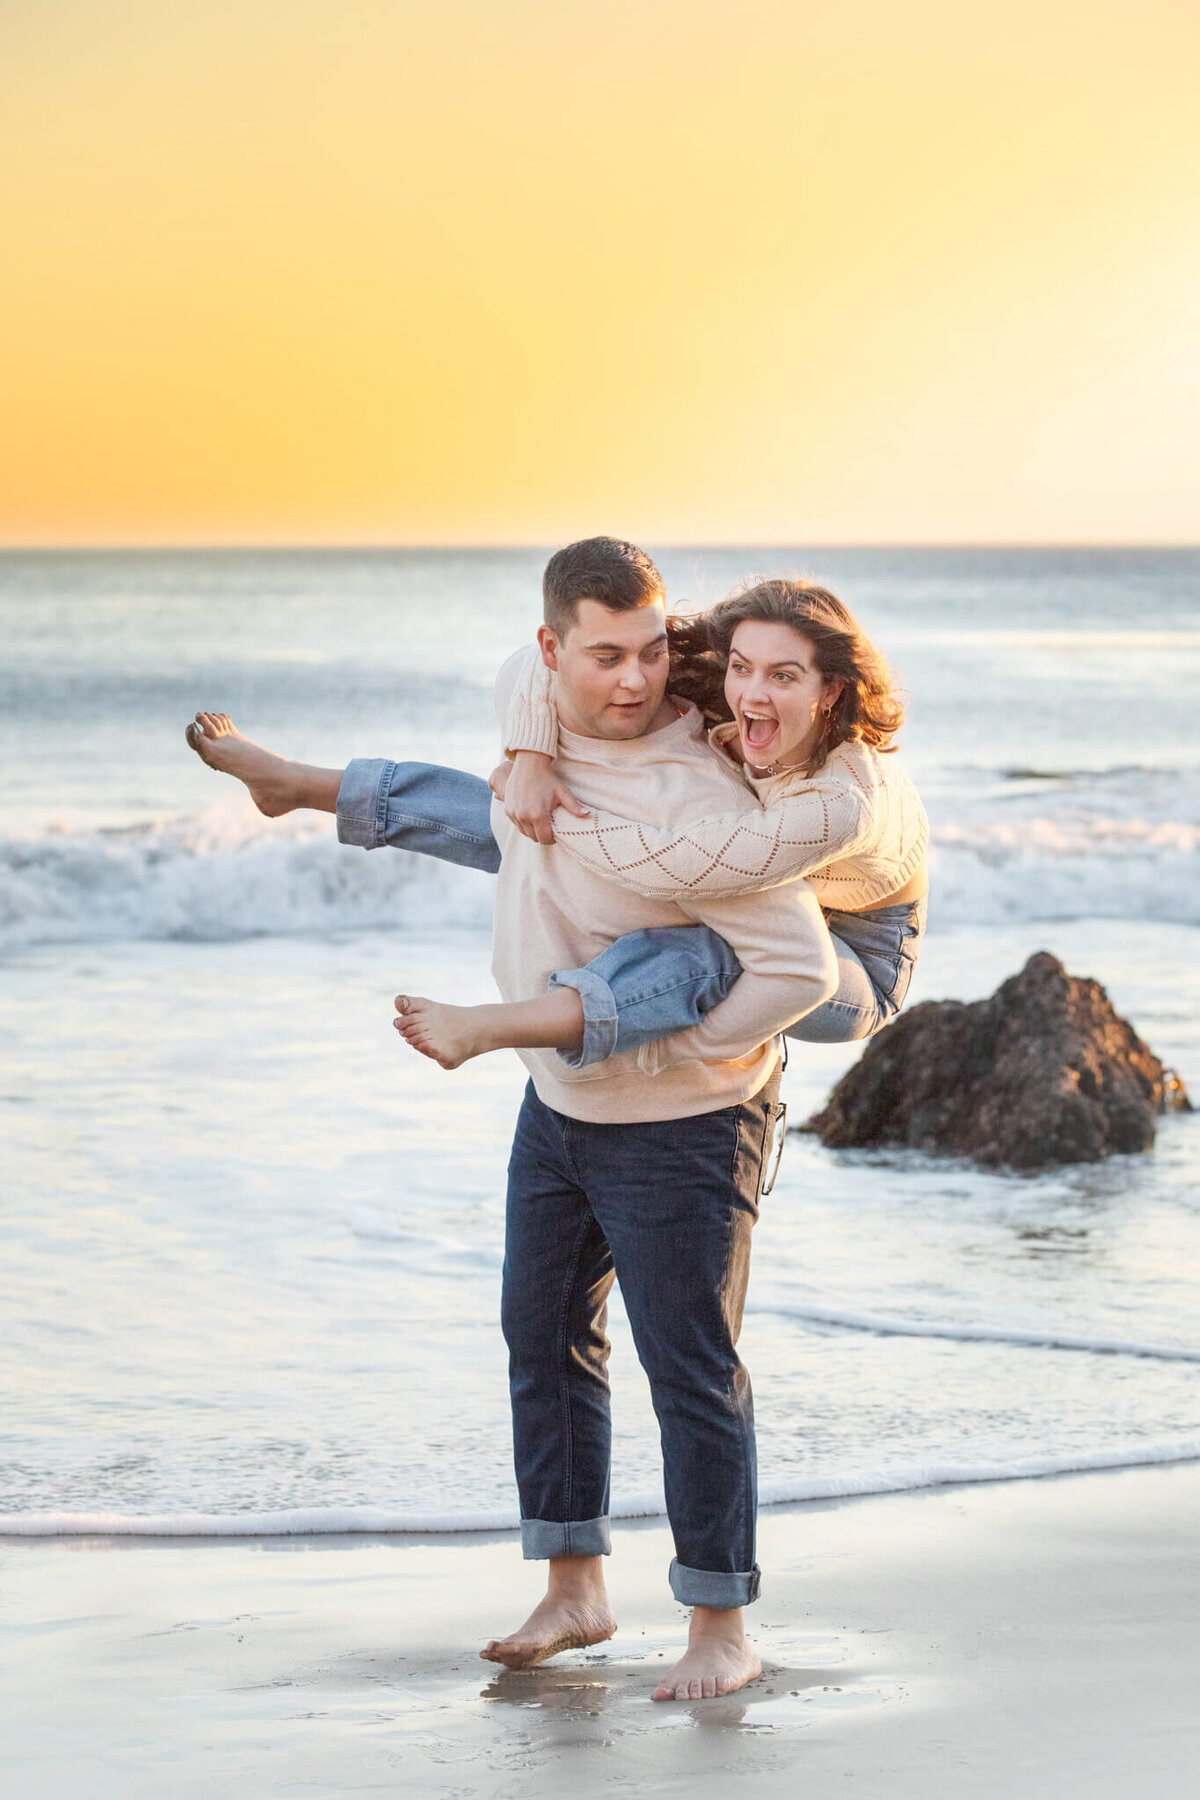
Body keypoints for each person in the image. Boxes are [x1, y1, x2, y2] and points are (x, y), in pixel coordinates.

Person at [186, 537, 838, 1702]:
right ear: (557, 650)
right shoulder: (548, 706)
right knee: (541, 1340)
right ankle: (575, 1585)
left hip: (683, 1124)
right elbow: (514, 676)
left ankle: (719, 1624)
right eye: (603, 657)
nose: (633, 682)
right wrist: (532, 748)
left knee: (688, 1369)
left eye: (649, 654)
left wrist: (688, 1047)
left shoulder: (699, 792)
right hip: (559, 1104)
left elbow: (799, 971)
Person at [392, 579, 928, 1072]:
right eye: (743, 667)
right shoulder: (724, 689)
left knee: (709, 947)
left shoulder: (841, 803)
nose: (754, 692)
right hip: (799, 889)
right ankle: (337, 792)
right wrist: (531, 759)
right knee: (520, 819)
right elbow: (542, 659)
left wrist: (685, 1054)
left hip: (864, 958)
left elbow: (675, 867)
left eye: (784, 675)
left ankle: (496, 1026)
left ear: (830, 689)